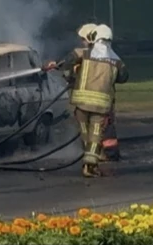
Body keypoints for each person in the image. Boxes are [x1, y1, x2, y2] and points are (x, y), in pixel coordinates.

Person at [49, 24, 128, 177]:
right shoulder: (117, 61)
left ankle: (88, 163)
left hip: (81, 105)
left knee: (86, 135)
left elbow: (65, 63)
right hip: (101, 106)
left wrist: (57, 65)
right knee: (95, 136)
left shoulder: (82, 53)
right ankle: (90, 166)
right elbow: (124, 77)